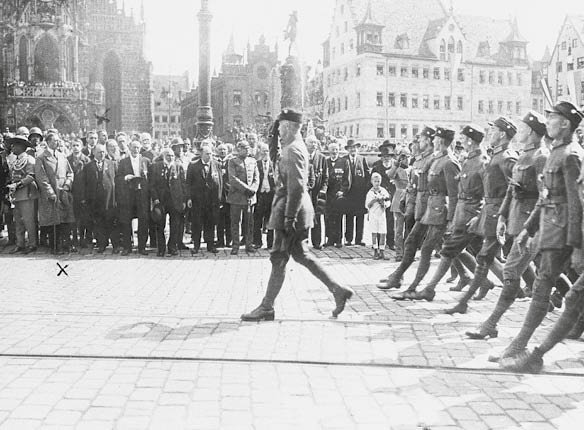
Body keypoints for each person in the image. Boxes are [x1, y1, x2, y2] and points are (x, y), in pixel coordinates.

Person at [241, 109, 354, 322]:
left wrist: (289, 218)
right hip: (294, 210)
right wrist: (273, 134)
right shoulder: (291, 147)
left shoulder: (293, 151)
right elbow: (277, 160)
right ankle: (337, 289)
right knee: (301, 255)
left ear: (291, 127)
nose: (280, 132)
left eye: (282, 128)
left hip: (290, 210)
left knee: (278, 258)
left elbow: (297, 187)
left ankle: (266, 306)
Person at [496, 101, 584, 367]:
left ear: (566, 123)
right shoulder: (556, 151)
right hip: (551, 230)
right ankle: (519, 348)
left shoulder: (571, 155)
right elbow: (544, 198)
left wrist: (577, 247)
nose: (548, 123)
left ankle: (523, 350)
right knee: (543, 288)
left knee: (550, 289)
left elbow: (576, 204)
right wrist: (528, 229)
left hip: (563, 235)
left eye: (552, 118)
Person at [466, 112, 548, 339]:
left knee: (513, 271)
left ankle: (491, 324)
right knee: (549, 273)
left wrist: (529, 230)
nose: (518, 132)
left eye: (522, 128)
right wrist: (503, 217)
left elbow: (544, 197)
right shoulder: (525, 155)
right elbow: (512, 190)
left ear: (531, 132)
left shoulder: (541, 157)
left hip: (532, 225)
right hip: (517, 221)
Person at [379, 127, 459, 294]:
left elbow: (452, 193)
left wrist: (452, 219)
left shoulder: (443, 160)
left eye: (421, 140)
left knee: (437, 247)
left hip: (435, 209)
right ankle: (399, 278)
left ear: (434, 141)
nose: (417, 143)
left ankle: (413, 286)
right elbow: (417, 183)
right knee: (422, 243)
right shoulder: (434, 158)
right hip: (427, 207)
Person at [35, 132, 75, 254]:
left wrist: (68, 184)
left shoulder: (62, 156)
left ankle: (66, 245)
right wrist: (50, 193)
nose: (57, 143)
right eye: (54, 141)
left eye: (58, 140)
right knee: (54, 222)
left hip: (64, 193)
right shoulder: (41, 158)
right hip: (51, 195)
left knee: (66, 220)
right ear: (48, 142)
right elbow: (41, 178)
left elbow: (70, 172)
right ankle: (56, 247)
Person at [80, 144, 118, 253]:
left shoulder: (112, 164)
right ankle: (101, 244)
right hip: (95, 199)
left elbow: (116, 181)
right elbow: (84, 183)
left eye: (103, 152)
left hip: (109, 198)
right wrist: (85, 198)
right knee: (99, 222)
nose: (101, 154)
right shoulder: (88, 166)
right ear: (94, 153)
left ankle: (115, 245)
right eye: (99, 152)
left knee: (111, 221)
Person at [116, 140, 151, 256]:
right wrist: (126, 177)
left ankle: (142, 247)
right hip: (128, 195)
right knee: (126, 221)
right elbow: (118, 178)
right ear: (129, 148)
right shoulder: (123, 162)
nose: (135, 150)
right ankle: (127, 247)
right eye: (133, 147)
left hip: (142, 195)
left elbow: (150, 179)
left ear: (140, 148)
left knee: (143, 221)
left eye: (137, 148)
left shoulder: (146, 161)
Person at [151, 148, 187, 256]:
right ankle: (161, 248)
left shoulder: (178, 166)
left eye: (172, 155)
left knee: (175, 225)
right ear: (163, 156)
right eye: (168, 155)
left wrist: (184, 200)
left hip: (175, 200)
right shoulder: (156, 167)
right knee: (160, 224)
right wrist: (155, 198)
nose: (170, 158)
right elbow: (152, 185)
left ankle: (172, 247)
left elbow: (183, 184)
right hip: (161, 200)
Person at [6, 136, 39, 254]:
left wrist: (18, 184)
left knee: (29, 221)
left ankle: (32, 244)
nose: (12, 147)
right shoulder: (15, 160)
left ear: (21, 147)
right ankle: (20, 244)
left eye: (15, 145)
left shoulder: (30, 160)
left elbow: (31, 176)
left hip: (27, 194)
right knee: (18, 221)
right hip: (16, 195)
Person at [187, 144, 221, 254]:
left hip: (211, 201)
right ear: (201, 154)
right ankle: (196, 246)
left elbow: (219, 182)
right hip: (198, 200)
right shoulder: (193, 165)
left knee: (210, 224)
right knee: (197, 224)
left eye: (211, 154)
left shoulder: (216, 164)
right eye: (207, 154)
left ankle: (210, 246)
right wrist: (189, 198)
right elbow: (188, 183)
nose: (209, 156)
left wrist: (219, 199)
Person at [227, 140, 259, 255]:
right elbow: (232, 179)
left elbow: (256, 178)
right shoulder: (232, 162)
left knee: (249, 222)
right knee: (235, 222)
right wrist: (247, 189)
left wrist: (254, 189)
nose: (247, 150)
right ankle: (235, 245)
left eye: (248, 148)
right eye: (244, 148)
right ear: (238, 149)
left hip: (250, 198)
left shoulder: (253, 161)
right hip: (236, 197)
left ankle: (248, 244)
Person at [341, 139, 370, 246]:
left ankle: (359, 239)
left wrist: (366, 189)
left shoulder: (362, 159)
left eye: (355, 147)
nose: (353, 149)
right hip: (348, 193)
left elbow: (367, 175)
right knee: (349, 216)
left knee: (360, 216)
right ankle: (348, 239)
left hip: (360, 194)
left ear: (357, 148)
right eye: (351, 148)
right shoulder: (344, 159)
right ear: (348, 149)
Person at [67, 138, 91, 250]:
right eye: (73, 145)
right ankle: (74, 239)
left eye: (78, 145)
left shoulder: (86, 161)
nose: (76, 148)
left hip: (83, 195)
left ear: (81, 147)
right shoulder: (67, 160)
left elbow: (89, 181)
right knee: (73, 218)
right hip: (71, 194)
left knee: (83, 219)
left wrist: (85, 196)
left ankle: (83, 239)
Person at [305, 136, 328, 249]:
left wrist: (323, 190)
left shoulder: (322, 158)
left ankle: (317, 242)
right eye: (311, 142)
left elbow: (325, 177)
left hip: (317, 193)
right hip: (304, 193)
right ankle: (303, 242)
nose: (313, 145)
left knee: (317, 217)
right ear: (306, 144)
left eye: (315, 142)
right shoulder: (302, 156)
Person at [253, 143, 275, 249]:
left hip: (271, 195)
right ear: (260, 152)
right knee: (257, 219)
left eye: (267, 151)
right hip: (259, 195)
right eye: (263, 151)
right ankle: (257, 242)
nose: (265, 153)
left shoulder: (274, 165)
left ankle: (270, 243)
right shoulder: (256, 164)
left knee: (271, 219)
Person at [324, 141, 346, 248]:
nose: (334, 152)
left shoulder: (343, 162)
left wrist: (342, 190)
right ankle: (329, 239)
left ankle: (338, 239)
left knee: (338, 218)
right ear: (329, 151)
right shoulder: (325, 162)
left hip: (338, 194)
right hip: (328, 194)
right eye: (332, 150)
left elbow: (347, 178)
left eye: (336, 150)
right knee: (328, 217)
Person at [365, 172, 391, 260]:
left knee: (383, 232)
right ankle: (375, 250)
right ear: (372, 182)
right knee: (374, 232)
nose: (377, 183)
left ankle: (382, 250)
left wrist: (384, 203)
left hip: (381, 214)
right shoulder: (370, 192)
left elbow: (388, 201)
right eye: (375, 181)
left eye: (379, 181)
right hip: (373, 215)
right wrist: (375, 200)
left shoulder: (383, 191)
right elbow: (367, 205)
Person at [215, 143, 232, 248]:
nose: (222, 151)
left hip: (229, 194)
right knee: (219, 219)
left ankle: (229, 240)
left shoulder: (231, 162)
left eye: (224, 149)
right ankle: (220, 240)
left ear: (227, 151)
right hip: (218, 195)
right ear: (217, 151)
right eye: (220, 149)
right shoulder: (214, 162)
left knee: (229, 219)